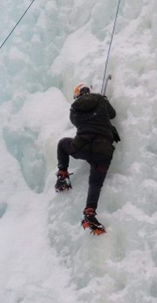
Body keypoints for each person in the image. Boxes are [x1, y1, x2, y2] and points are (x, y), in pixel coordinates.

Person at [55, 82, 120, 235]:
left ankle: (62, 176)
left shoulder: (75, 109)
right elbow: (112, 115)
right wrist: (103, 101)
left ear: (77, 95)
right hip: (103, 149)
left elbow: (76, 122)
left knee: (63, 144)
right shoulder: (101, 101)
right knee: (95, 183)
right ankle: (89, 212)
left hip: (82, 144)